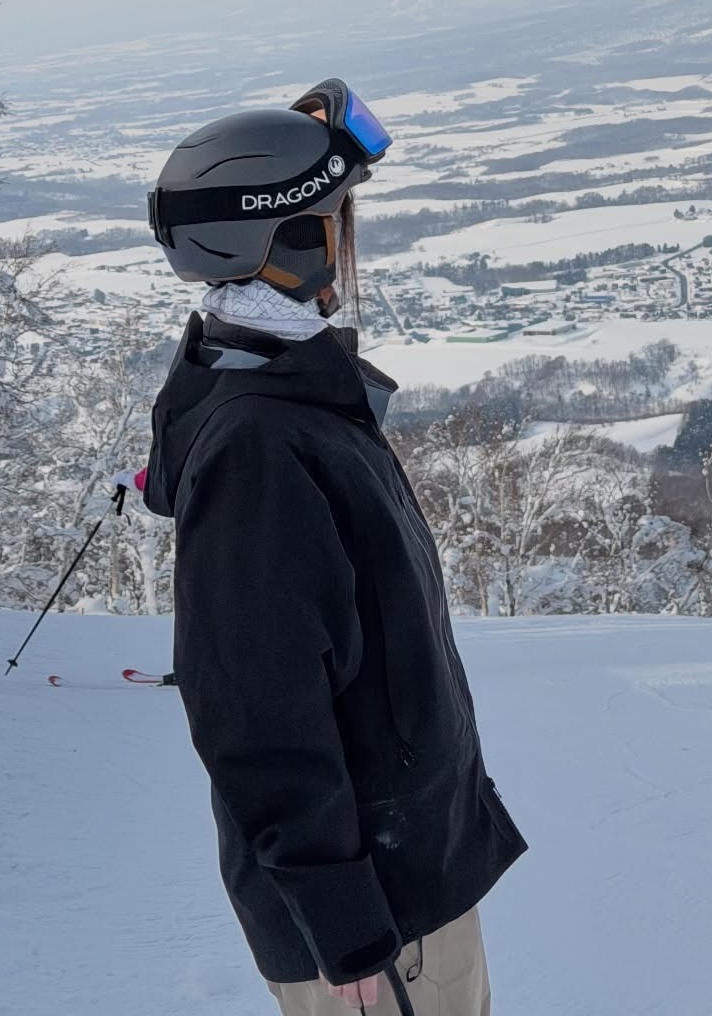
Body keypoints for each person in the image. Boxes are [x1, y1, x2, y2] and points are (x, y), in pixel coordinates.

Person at [143, 79, 526, 1014]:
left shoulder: (276, 383)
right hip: (380, 919)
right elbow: (253, 710)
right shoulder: (260, 447)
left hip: (403, 872)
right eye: (332, 223)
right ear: (287, 245)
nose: (347, 246)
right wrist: (345, 924)